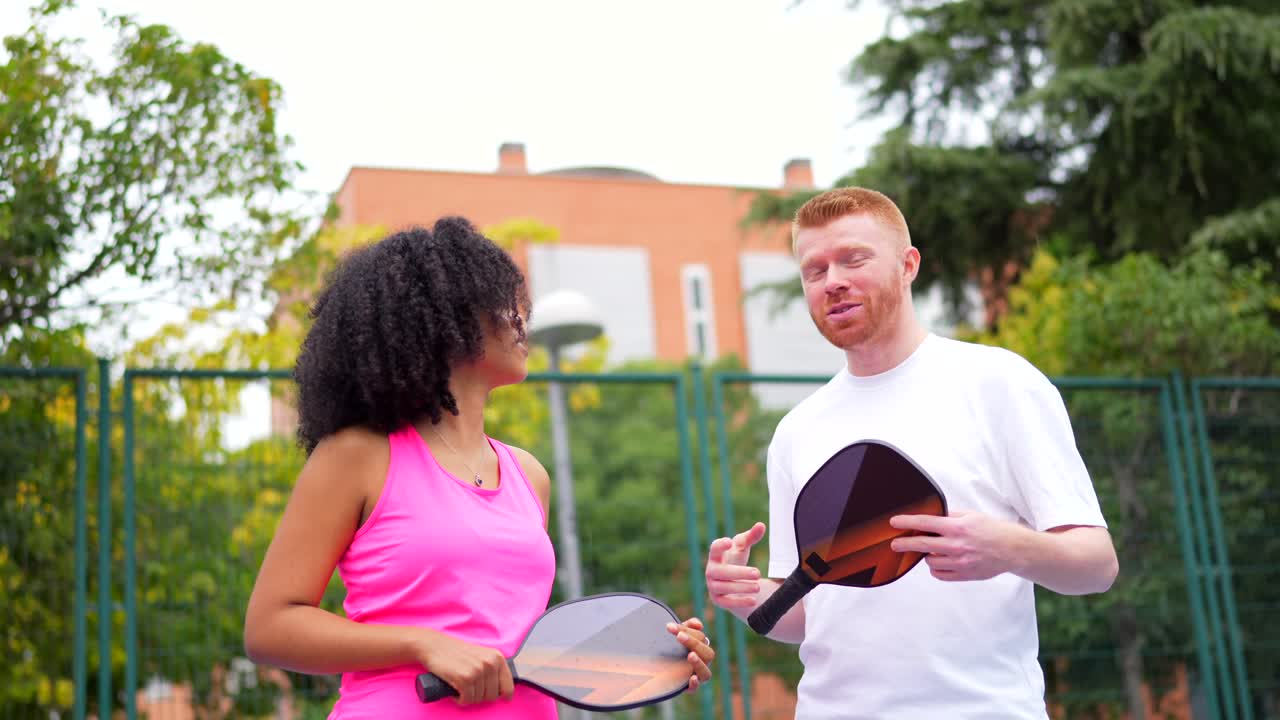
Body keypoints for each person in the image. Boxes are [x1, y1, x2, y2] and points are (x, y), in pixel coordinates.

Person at [244, 217, 714, 719]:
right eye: (501, 305)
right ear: (441, 321)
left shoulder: (528, 475)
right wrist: (422, 645)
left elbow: (514, 640)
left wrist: (654, 655)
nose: (520, 321)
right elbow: (270, 627)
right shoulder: (356, 455)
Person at [705, 188, 1118, 718]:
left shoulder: (999, 383)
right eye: (815, 270)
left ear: (908, 265)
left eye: (854, 258)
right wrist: (748, 594)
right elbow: (810, 611)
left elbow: (1096, 566)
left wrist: (1009, 548)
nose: (833, 281)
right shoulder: (796, 430)